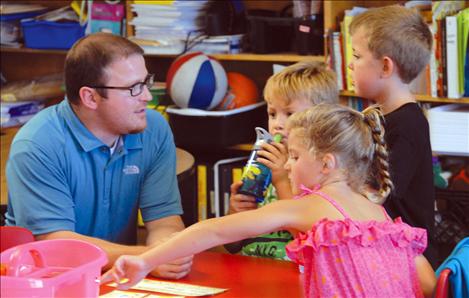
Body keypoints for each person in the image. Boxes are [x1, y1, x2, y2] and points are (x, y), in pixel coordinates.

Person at [102, 104, 436, 298]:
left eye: (294, 155)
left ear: (326, 164)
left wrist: (144, 261)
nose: (288, 165)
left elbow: (215, 231)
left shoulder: (310, 207)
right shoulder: (376, 211)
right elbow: (426, 280)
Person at [5, 33, 192, 279]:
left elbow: (164, 219)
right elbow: (54, 244)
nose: (147, 96)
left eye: (146, 82)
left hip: (117, 278)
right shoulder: (37, 145)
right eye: (134, 88)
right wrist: (144, 259)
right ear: (90, 97)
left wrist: (166, 252)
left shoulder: (152, 128)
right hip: (46, 281)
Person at [348, 5, 437, 267]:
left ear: (385, 67)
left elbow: (379, 192)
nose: (350, 64)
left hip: (407, 255)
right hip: (379, 244)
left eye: (356, 55)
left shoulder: (409, 124)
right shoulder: (376, 115)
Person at [225, 61, 339, 260]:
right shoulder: (264, 165)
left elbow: (308, 241)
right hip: (252, 269)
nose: (277, 124)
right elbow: (231, 245)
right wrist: (236, 211)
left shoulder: (321, 174)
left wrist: (281, 180)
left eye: (290, 114)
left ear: (322, 118)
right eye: (272, 114)